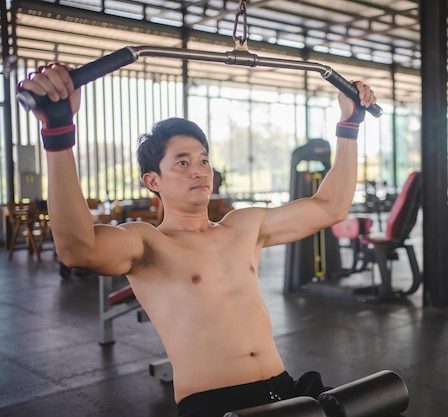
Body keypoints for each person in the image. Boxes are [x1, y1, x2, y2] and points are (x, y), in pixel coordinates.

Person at [18, 63, 376, 417]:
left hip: (287, 392)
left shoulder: (243, 227)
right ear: (153, 181)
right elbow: (76, 248)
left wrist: (350, 125)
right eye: (183, 162)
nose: (199, 170)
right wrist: (59, 134)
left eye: (204, 160)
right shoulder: (148, 245)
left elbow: (330, 207)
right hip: (216, 406)